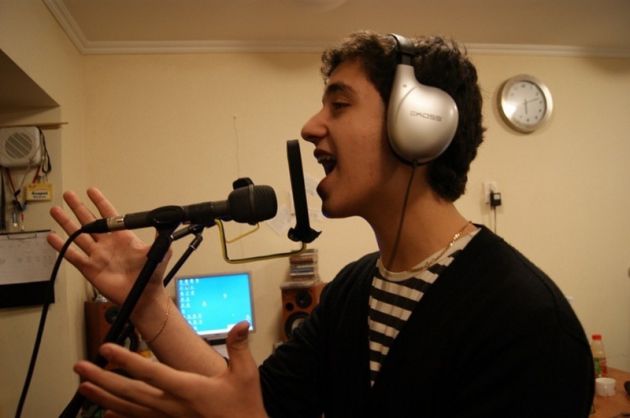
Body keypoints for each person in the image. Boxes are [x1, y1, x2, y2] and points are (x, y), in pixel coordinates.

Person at [48, 31, 594, 417]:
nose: (311, 127)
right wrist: (149, 305)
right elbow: (255, 402)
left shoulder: (527, 321)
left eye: (340, 104)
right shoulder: (352, 290)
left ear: (419, 126)